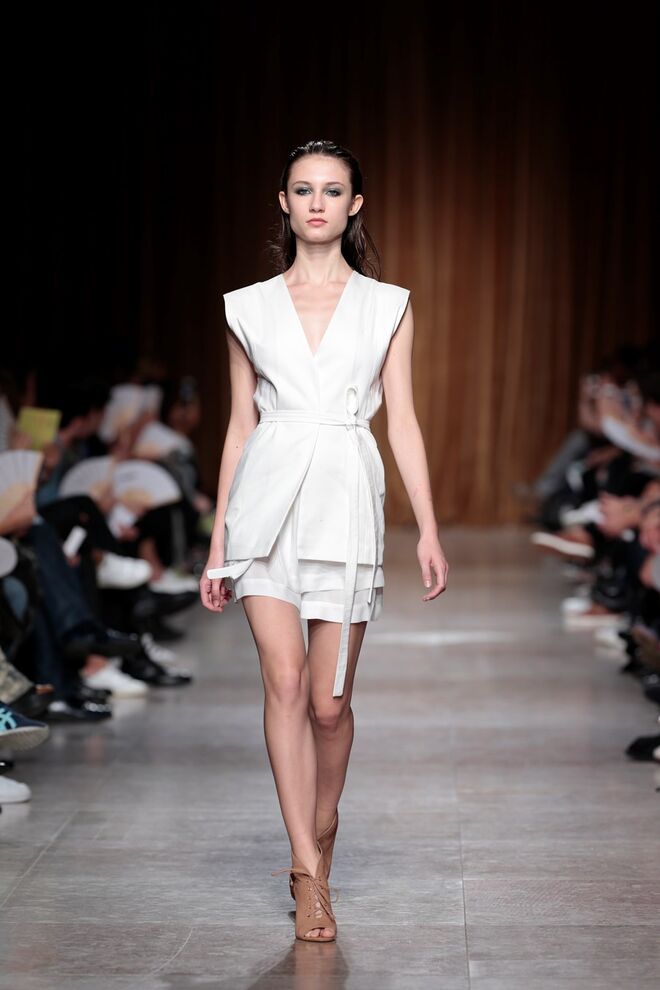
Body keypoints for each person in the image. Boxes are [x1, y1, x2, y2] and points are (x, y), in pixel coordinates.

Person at [200, 140, 448, 942]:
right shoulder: (247, 306)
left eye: (332, 190)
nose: (316, 203)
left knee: (329, 704)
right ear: (283, 201)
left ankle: (325, 823)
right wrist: (218, 543)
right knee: (283, 683)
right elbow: (239, 427)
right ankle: (306, 870)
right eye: (303, 189)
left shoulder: (388, 305)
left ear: (354, 204)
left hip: (346, 496)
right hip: (266, 502)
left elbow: (402, 421)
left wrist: (428, 528)